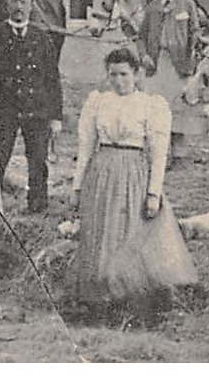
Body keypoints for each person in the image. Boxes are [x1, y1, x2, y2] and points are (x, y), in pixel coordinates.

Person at [69, 46, 199, 319]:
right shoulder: (98, 102)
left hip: (133, 174)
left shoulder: (150, 105)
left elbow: (159, 151)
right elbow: (85, 147)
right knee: (100, 234)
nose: (118, 81)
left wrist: (153, 193)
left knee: (129, 233)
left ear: (137, 74)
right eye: (113, 74)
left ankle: (130, 298)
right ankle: (99, 299)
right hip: (102, 173)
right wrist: (77, 187)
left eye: (124, 74)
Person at [0, 0, 63, 214]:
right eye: (14, 2)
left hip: (37, 109)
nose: (19, 7)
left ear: (31, 6)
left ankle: (37, 205)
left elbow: (53, 79)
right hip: (5, 107)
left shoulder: (42, 38)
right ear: (7, 6)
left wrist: (56, 116)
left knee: (37, 160)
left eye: (23, 3)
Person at [137, 0, 207, 164]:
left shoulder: (186, 4)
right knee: (157, 106)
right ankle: (159, 153)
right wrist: (144, 56)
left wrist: (192, 57)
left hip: (179, 64)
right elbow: (141, 37)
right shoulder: (152, 8)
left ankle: (179, 154)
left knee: (179, 107)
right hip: (158, 63)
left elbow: (195, 32)